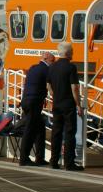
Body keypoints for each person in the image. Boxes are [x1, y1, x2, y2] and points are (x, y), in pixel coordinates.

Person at [46, 42, 84, 171]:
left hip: (57, 103)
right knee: (69, 133)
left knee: (56, 132)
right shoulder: (71, 67)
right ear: (68, 53)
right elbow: (74, 88)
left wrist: (53, 95)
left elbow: (48, 85)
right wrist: (78, 104)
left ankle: (54, 161)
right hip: (68, 104)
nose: (73, 53)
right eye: (72, 51)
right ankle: (69, 163)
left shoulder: (52, 67)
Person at [18, 52, 55, 166]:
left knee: (40, 128)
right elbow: (50, 86)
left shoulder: (33, 68)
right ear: (46, 59)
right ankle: (24, 158)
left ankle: (39, 157)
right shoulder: (46, 70)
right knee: (30, 129)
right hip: (34, 102)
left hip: (26, 101)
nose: (53, 63)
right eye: (52, 61)